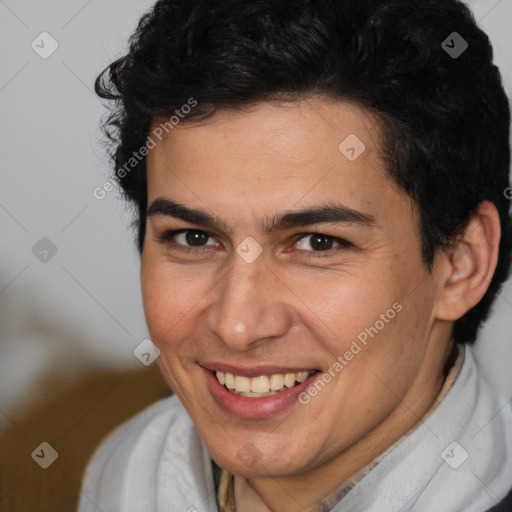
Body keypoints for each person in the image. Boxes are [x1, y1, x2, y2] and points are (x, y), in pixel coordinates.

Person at [79, 0, 512, 510]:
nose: (237, 325)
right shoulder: (127, 472)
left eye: (317, 243)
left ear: (462, 262)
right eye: (194, 238)